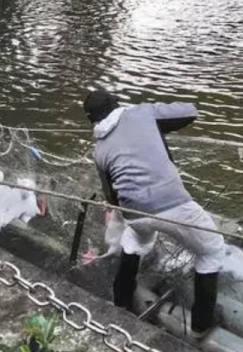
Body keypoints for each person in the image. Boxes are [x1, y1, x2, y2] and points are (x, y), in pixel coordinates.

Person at [84, 90, 225, 336]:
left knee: (134, 240)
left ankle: (120, 301)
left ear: (92, 120)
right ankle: (201, 324)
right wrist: (153, 126)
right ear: (117, 103)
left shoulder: (99, 151)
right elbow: (190, 111)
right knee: (212, 249)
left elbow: (111, 197)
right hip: (175, 206)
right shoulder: (141, 112)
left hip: (135, 214)